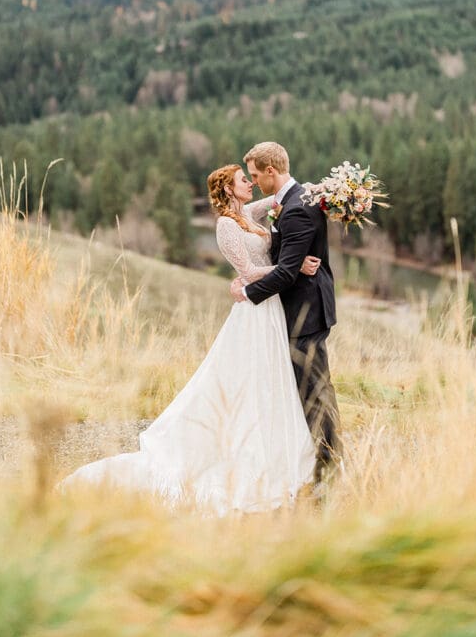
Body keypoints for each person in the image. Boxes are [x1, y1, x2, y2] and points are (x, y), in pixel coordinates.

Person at [59, 163, 320, 515]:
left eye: (252, 177)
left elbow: (282, 196)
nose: (251, 183)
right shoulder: (226, 225)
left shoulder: (251, 214)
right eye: (245, 180)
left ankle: (276, 445)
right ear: (229, 189)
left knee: (269, 378)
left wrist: (330, 193)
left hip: (271, 309)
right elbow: (245, 272)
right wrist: (291, 266)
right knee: (244, 378)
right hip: (254, 309)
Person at [231, 141, 342, 484]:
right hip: (300, 308)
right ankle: (317, 464)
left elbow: (286, 272)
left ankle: (329, 471)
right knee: (312, 389)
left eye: (255, 176)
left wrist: (246, 293)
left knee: (315, 393)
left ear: (271, 171)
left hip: (305, 312)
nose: (254, 183)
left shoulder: (296, 208)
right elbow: (288, 261)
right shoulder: (294, 199)